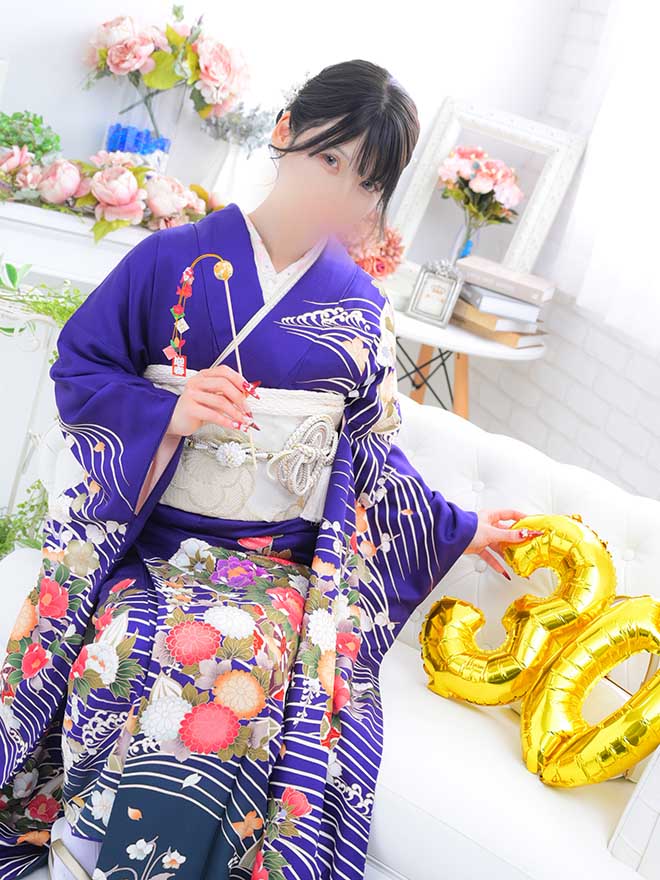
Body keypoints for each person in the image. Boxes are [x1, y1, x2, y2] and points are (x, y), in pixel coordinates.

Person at [0, 59, 541, 880]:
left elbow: (371, 454)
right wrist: (170, 410)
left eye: (365, 180)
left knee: (227, 660)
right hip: (152, 541)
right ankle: (83, 847)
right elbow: (81, 367)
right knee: (122, 646)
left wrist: (459, 528)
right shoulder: (168, 260)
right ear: (285, 132)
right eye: (329, 158)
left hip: (270, 566)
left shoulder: (358, 309)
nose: (340, 192)